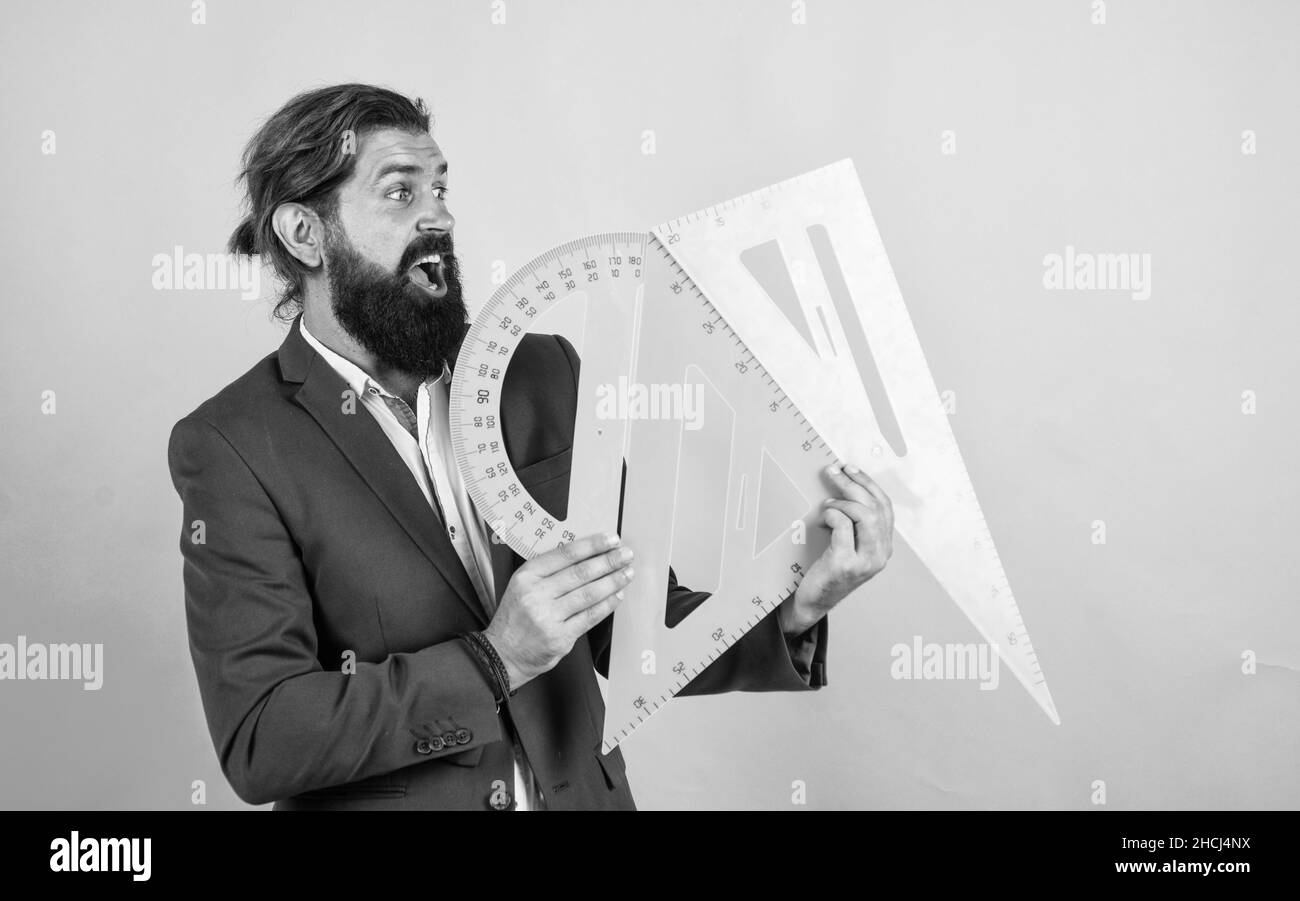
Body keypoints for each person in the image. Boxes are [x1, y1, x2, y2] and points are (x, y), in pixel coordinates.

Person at [167, 83, 895, 810]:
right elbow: (265, 739)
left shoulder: (539, 373)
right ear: (305, 233)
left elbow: (631, 623)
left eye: (442, 187)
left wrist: (795, 606)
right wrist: (495, 659)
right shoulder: (233, 445)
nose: (440, 215)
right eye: (400, 191)